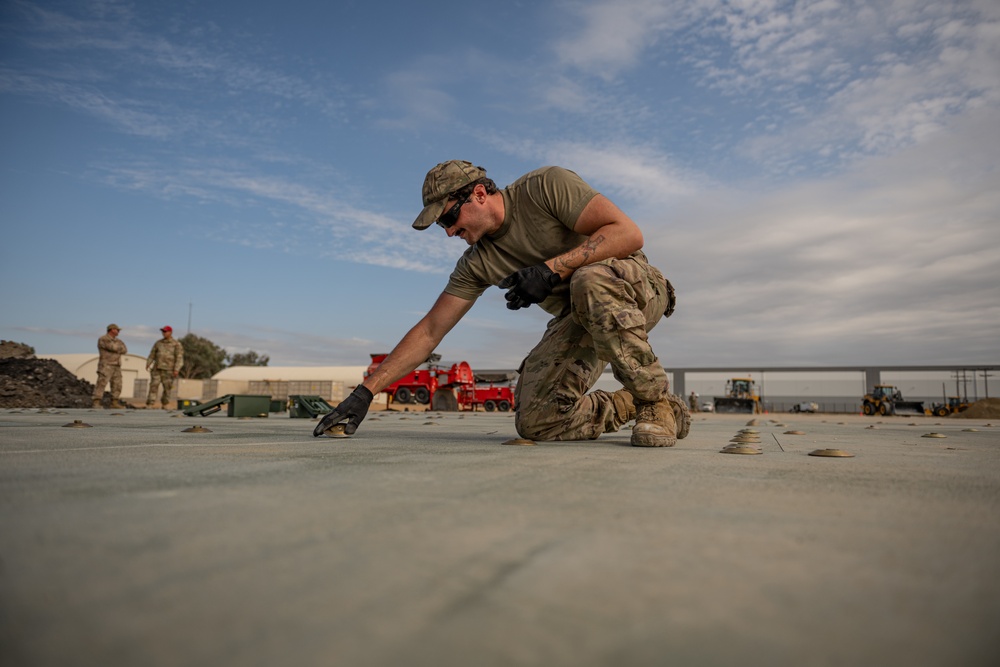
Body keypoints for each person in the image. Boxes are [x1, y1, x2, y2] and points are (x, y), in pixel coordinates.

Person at [315, 161, 690, 446]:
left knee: (587, 280)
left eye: (449, 217)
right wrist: (366, 393)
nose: (448, 232)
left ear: (478, 194)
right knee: (536, 421)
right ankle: (632, 403)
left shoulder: (545, 187)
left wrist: (551, 270)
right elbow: (430, 331)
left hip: (635, 290)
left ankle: (652, 402)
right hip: (581, 318)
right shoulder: (477, 263)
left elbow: (627, 232)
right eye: (441, 226)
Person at [145, 326, 184, 409]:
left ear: (170, 332)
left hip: (169, 370)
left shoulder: (176, 344)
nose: (164, 333)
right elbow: (152, 354)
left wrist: (176, 369)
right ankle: (150, 404)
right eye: (163, 331)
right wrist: (148, 363)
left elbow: (179, 358)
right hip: (157, 369)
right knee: (153, 386)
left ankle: (165, 404)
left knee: (167, 388)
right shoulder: (158, 343)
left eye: (165, 331)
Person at [92, 324, 128, 409]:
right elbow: (113, 347)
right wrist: (118, 348)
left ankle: (114, 402)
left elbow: (125, 350)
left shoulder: (119, 341)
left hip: (116, 365)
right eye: (117, 330)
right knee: (102, 383)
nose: (118, 331)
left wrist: (118, 348)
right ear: (111, 330)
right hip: (106, 365)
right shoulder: (104, 339)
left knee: (117, 384)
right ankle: (96, 402)